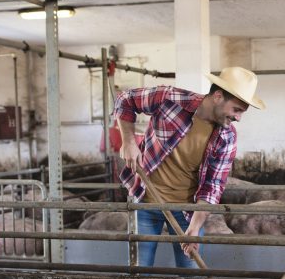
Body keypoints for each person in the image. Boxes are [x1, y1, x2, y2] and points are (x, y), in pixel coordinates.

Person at [113, 66, 265, 268]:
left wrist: (195, 227)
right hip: (145, 200)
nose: (238, 118)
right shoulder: (170, 99)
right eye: (236, 110)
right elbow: (125, 99)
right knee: (139, 270)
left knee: (191, 274)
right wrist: (129, 141)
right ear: (218, 97)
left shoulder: (227, 137)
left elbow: (212, 186)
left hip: (187, 211)